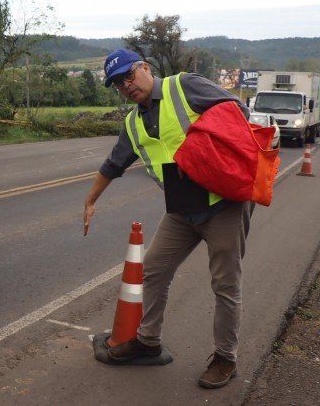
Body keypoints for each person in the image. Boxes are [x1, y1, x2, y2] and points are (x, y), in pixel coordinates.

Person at [82, 49, 254, 389]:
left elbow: (237, 109)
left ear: (146, 67)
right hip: (181, 210)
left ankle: (225, 358)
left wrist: (207, 147)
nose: (126, 86)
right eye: (118, 84)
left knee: (225, 284)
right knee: (153, 271)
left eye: (129, 76)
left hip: (224, 204)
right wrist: (90, 200)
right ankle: (148, 340)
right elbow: (113, 164)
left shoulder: (184, 86)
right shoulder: (132, 123)